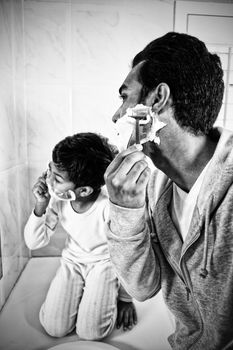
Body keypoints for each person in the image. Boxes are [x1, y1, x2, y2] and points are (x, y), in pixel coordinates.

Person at [104, 32, 233, 349]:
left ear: (156, 100)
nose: (116, 116)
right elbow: (143, 287)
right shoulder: (151, 185)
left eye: (125, 98)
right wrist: (125, 214)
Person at [24, 132, 137, 340]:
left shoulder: (107, 208)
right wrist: (40, 206)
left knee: (91, 333)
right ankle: (81, 293)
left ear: (83, 190)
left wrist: (125, 298)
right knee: (54, 328)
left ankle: (103, 295)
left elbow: (127, 254)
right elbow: (34, 241)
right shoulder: (59, 201)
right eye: (49, 170)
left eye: (56, 178)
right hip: (72, 262)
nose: (48, 179)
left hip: (105, 264)